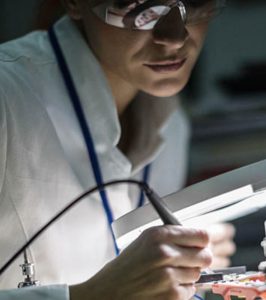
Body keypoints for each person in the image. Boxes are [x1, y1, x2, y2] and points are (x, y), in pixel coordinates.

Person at [0, 0, 236, 299]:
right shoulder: (7, 96)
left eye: (196, 2)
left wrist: (177, 263)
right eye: (138, 6)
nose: (175, 37)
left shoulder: (171, 123)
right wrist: (93, 295)